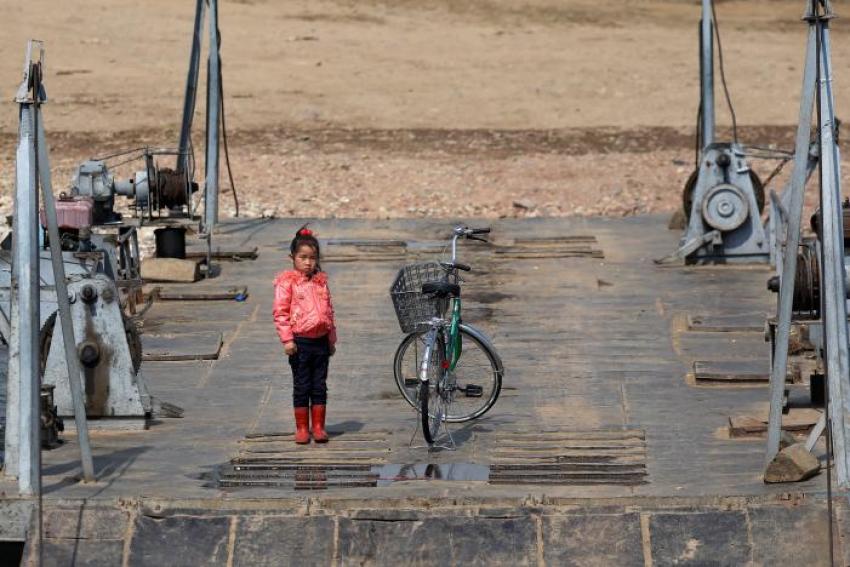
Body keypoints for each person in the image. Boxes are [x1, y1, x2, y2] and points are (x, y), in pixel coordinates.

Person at [273, 226, 337, 444]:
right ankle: (302, 428)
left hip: (320, 343)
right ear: (292, 257)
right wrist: (288, 340)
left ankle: (318, 427)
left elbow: (329, 312)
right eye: (303, 257)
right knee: (302, 385)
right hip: (300, 343)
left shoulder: (320, 282)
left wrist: (331, 339)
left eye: (312, 258)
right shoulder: (287, 282)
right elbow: (280, 313)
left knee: (319, 385)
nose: (308, 262)